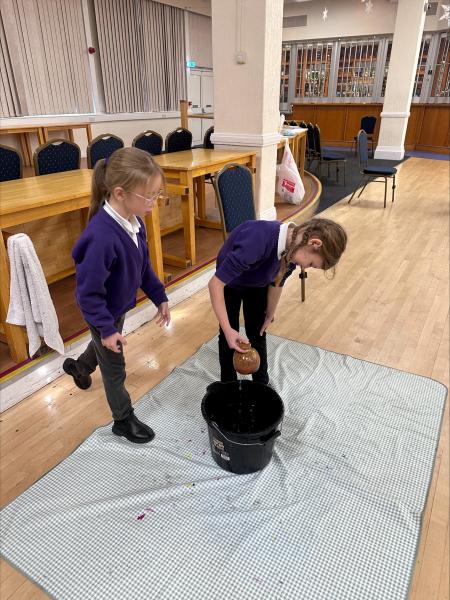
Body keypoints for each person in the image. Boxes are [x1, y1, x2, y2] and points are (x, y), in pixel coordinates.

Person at [63, 147, 170, 444]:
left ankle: (79, 367)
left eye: (157, 194)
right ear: (120, 193)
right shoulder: (101, 238)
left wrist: (159, 297)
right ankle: (123, 420)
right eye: (149, 196)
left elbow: (142, 267)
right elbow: (88, 295)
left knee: (103, 347)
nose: (154, 202)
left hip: (116, 307)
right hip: (101, 312)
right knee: (114, 368)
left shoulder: (135, 223)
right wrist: (107, 329)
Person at [208, 217, 347, 385]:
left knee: (258, 332)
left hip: (257, 283)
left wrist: (270, 313)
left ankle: (261, 384)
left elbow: (277, 282)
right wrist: (228, 330)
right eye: (311, 263)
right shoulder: (259, 239)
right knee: (228, 336)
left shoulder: (292, 251)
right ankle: (228, 385)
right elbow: (215, 284)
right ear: (314, 243)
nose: (304, 268)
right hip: (230, 283)